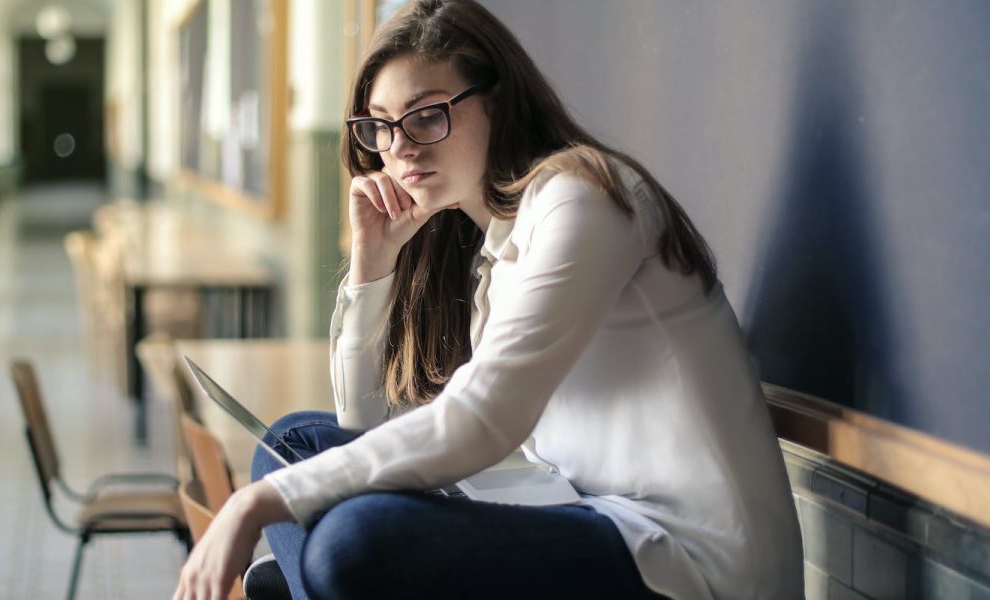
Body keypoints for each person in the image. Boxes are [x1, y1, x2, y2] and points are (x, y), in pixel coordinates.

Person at [173, 1, 803, 598]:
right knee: (292, 444)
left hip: (688, 561)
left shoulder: (582, 198)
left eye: (427, 114)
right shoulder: (493, 250)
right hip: (578, 512)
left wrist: (259, 505)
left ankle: (314, 581)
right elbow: (362, 425)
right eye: (382, 127)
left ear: (498, 102)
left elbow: (488, 416)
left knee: (349, 541)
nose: (400, 149)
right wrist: (373, 265)